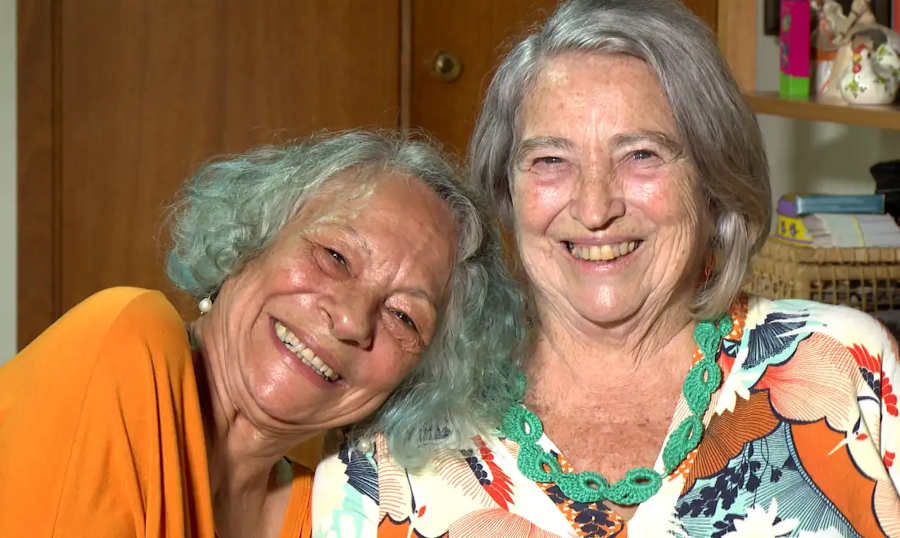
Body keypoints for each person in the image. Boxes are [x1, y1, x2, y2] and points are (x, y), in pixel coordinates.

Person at [312, 1, 900, 536]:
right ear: (507, 192)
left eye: (640, 155)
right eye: (551, 160)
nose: (594, 209)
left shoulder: (848, 363)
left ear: (713, 180)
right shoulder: (394, 436)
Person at [0, 130, 524, 538]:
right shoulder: (128, 343)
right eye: (334, 256)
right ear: (251, 240)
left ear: (418, 382)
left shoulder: (336, 515)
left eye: (404, 317)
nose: (351, 320)